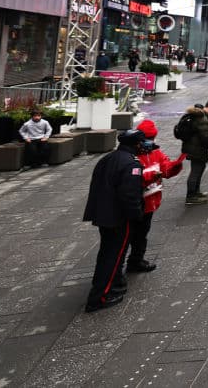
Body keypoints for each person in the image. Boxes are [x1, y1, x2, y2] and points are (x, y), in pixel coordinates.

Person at [82, 129, 145, 312]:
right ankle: (99, 297)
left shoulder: (108, 158)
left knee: (106, 252)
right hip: (119, 217)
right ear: (137, 144)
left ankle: (110, 284)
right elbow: (130, 195)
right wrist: (136, 214)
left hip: (103, 214)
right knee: (114, 256)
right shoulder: (131, 164)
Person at [125, 120, 184, 273]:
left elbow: (165, 168)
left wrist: (175, 165)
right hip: (135, 202)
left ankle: (136, 260)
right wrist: (151, 175)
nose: (149, 142)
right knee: (130, 234)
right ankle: (125, 263)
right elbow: (133, 178)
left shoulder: (155, 152)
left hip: (151, 200)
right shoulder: (130, 155)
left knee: (143, 233)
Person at [178, 103, 208, 205]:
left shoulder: (189, 116)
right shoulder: (201, 119)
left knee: (198, 170)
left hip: (190, 147)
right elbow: (204, 137)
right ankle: (191, 196)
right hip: (198, 148)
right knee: (195, 172)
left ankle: (196, 193)